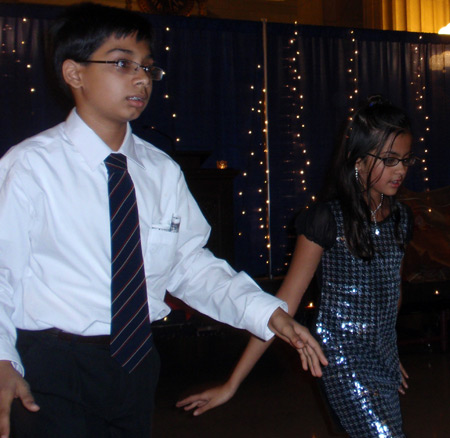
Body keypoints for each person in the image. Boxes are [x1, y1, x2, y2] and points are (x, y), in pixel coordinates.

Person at [0, 3, 328, 438]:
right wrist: (2, 360)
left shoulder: (159, 171)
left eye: (147, 68)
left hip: (135, 364)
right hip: (54, 367)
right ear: (74, 73)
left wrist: (268, 313)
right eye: (121, 63)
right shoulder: (30, 168)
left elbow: (187, 264)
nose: (140, 78)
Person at [177, 95, 415, 437]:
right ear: (359, 162)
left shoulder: (401, 218)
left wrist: (389, 351)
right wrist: (233, 383)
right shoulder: (327, 218)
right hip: (340, 361)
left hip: (383, 360)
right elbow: (283, 304)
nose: (401, 171)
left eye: (406, 160)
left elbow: (392, 293)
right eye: (390, 160)